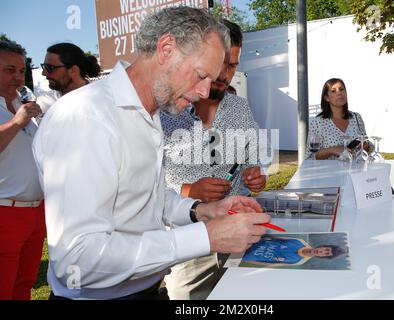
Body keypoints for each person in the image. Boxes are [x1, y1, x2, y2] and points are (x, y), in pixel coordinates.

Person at [32, 7, 270, 300]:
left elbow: (146, 199)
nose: (206, 92)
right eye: (200, 75)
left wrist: (200, 211)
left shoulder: (149, 112)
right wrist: (206, 237)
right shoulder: (86, 117)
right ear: (166, 49)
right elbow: (78, 258)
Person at [161, 20, 270, 300]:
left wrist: (255, 174)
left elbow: (253, 156)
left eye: (233, 65)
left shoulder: (239, 106)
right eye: (221, 63)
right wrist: (189, 192)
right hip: (186, 243)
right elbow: (142, 182)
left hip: (237, 232)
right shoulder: (164, 111)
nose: (225, 74)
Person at [0, 40, 45, 300]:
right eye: (9, 70)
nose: (18, 77)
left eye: (21, 70)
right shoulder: (19, 113)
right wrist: (18, 122)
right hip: (5, 211)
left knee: (23, 285)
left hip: (34, 211)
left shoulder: (20, 102)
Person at [306, 78, 369, 160]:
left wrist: (366, 145)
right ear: (326, 98)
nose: (339, 93)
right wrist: (332, 150)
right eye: (333, 91)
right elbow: (311, 155)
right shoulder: (317, 122)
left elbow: (366, 145)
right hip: (330, 172)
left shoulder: (356, 117)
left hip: (355, 171)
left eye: (342, 89)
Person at [37, 43, 101, 115]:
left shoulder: (101, 97)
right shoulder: (45, 103)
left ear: (73, 70)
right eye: (44, 66)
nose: (44, 73)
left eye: (50, 67)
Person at [242, 236, 347, 266]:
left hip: (245, 256)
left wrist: (247, 260)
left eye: (326, 254)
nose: (322, 252)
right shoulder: (299, 241)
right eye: (326, 249)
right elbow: (273, 237)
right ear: (323, 246)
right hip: (248, 242)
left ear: (324, 257)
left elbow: (270, 263)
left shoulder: (298, 261)